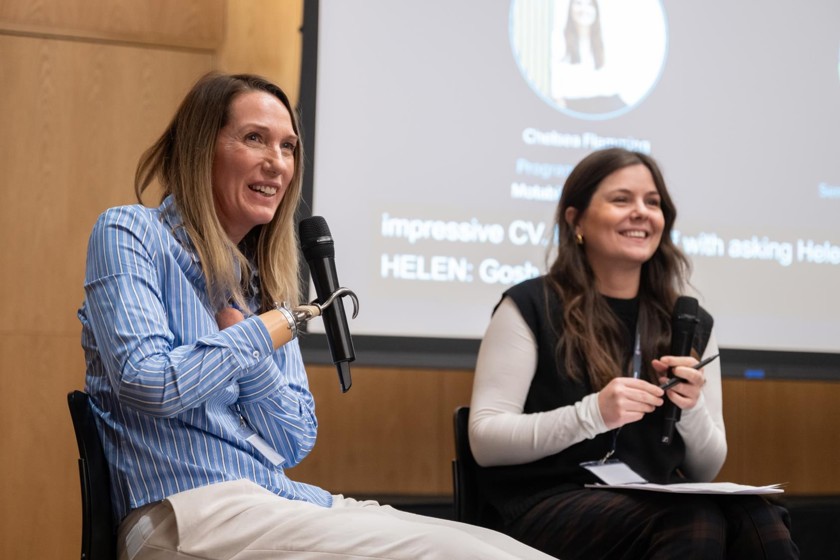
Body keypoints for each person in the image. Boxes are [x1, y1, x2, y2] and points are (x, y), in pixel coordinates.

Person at [78, 72, 553, 560]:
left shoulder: (259, 281)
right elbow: (148, 382)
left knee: (500, 548)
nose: (277, 163)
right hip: (186, 516)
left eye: (288, 147)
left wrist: (253, 351)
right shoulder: (130, 232)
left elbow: (295, 437)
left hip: (276, 503)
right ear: (202, 149)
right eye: (255, 139)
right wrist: (258, 335)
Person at [468, 148, 799, 559]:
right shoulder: (530, 306)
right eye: (621, 199)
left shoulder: (688, 321)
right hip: (544, 502)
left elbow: (706, 469)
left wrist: (691, 408)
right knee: (691, 518)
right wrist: (593, 414)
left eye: (653, 202)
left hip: (650, 497)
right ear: (576, 221)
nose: (642, 212)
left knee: (758, 515)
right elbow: (485, 439)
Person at [550, 0, 625, 113]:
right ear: (570, 8)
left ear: (596, 10)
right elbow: (556, 85)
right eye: (578, 3)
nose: (583, 9)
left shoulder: (607, 38)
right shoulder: (558, 38)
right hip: (573, 106)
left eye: (589, 4)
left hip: (606, 104)